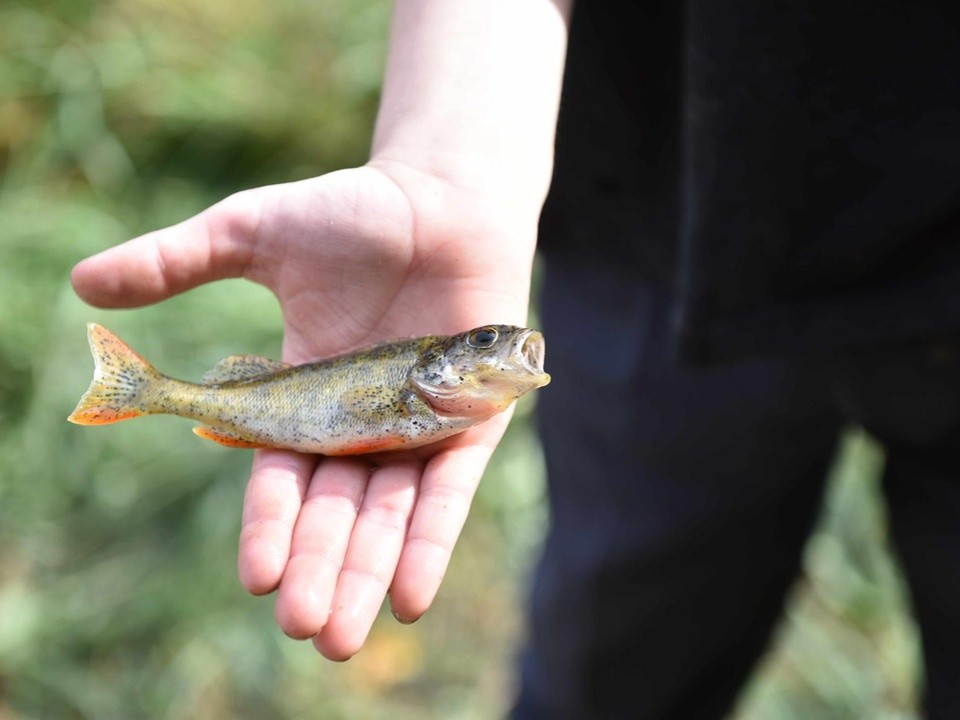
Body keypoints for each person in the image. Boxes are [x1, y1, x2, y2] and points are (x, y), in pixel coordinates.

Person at [71, 0, 960, 717]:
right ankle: (144, 391)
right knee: (616, 655)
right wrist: (447, 147)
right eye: (486, 345)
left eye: (497, 347)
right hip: (651, 243)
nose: (506, 349)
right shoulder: (440, 381)